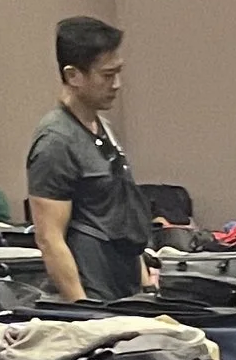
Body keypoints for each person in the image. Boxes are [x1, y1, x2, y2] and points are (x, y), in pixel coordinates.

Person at [25, 16, 156, 307]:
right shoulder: (55, 142)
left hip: (126, 292)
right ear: (73, 76)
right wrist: (82, 310)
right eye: (107, 75)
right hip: (93, 298)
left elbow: (122, 214)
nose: (117, 84)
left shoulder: (102, 127)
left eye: (118, 72)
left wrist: (146, 286)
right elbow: (49, 239)